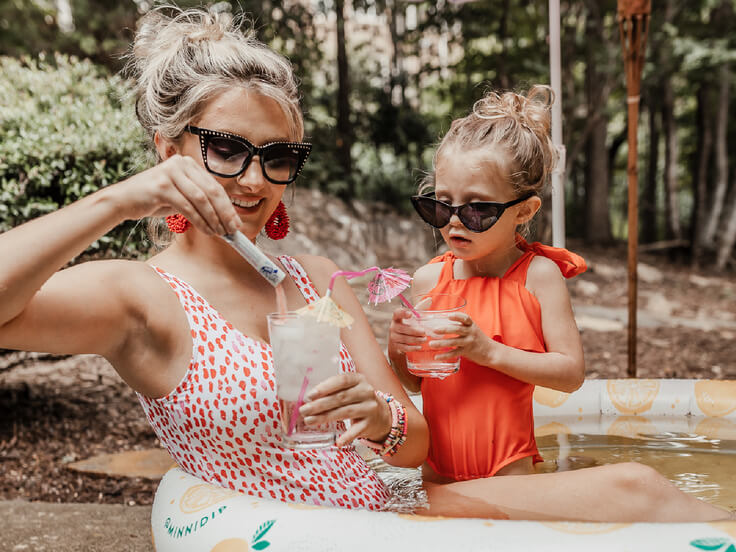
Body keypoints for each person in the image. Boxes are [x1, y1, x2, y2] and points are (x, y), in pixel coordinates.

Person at [0, 5, 731, 523]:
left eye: (278, 157)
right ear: (169, 152)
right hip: (299, 534)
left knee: (637, 485)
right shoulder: (140, 297)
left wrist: (376, 411)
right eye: (226, 149)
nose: (254, 181)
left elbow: (412, 444)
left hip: (390, 513)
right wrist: (119, 203)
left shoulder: (312, 277)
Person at [388, 85, 586, 483]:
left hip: (509, 474)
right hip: (437, 476)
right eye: (442, 205)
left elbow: (570, 374)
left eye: (477, 209)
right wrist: (397, 350)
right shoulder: (429, 280)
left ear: (524, 211)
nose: (455, 221)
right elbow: (413, 383)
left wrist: (487, 351)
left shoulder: (537, 277)